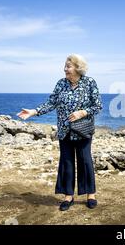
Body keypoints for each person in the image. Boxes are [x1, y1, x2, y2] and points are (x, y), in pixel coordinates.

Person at [17, 54, 102, 211]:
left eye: (68, 66)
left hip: (83, 130)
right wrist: (34, 111)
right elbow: (51, 103)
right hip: (64, 130)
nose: (65, 69)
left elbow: (97, 106)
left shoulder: (90, 83)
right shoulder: (61, 83)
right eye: (65, 66)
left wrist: (82, 112)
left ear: (78, 68)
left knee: (85, 160)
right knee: (67, 162)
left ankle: (91, 194)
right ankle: (68, 196)